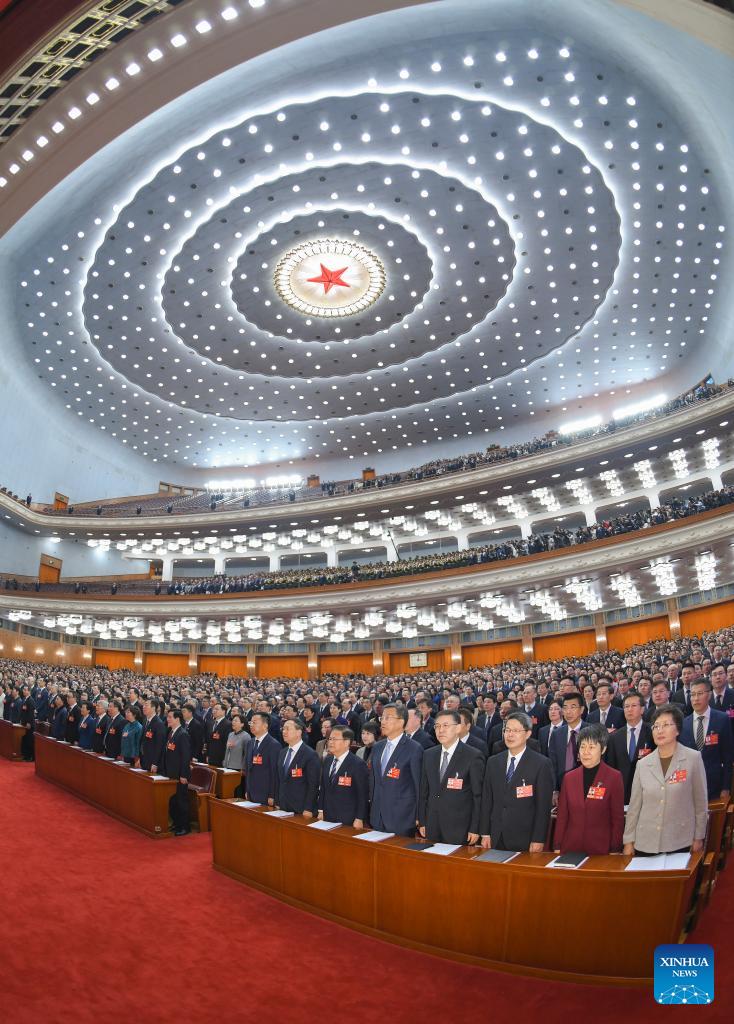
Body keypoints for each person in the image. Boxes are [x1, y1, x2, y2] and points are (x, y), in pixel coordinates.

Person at [623, 704, 708, 856]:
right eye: (656, 726)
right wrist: (628, 841)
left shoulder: (693, 758)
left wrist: (699, 837)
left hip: (681, 839)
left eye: (666, 725)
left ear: (678, 730)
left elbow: (701, 803)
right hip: (646, 841)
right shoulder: (643, 764)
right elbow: (634, 807)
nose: (660, 730)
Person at [479, 711, 554, 852]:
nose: (510, 734)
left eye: (515, 731)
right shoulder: (493, 762)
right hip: (496, 834)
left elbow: (543, 807)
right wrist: (485, 832)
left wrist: (538, 839)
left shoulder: (541, 764)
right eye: (507, 730)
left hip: (525, 836)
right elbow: (487, 799)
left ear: (528, 734)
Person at [554, 724, 625, 855]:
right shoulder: (569, 778)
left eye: (591, 747)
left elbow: (617, 818)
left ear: (603, 749)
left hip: (601, 849)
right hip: (571, 847)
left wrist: (615, 848)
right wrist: (557, 845)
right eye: (582, 746)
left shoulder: (614, 777)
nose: (585, 752)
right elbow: (562, 816)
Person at [418, 710, 483, 845]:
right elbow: (424, 791)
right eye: (437, 726)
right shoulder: (429, 754)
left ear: (458, 728)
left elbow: (478, 796)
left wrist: (475, 828)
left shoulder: (472, 756)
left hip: (460, 827)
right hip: (432, 824)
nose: (440, 730)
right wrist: (422, 821)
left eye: (446, 725)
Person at [369, 704, 423, 837]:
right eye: (382, 718)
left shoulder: (414, 748)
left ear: (401, 722)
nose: (383, 722)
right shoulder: (377, 747)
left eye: (388, 718)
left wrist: (419, 816)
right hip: (377, 816)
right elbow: (374, 781)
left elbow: (419, 786)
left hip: (402, 817)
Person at [680, 679, 733, 801]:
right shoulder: (684, 724)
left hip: (715, 786)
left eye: (700, 693)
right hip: (690, 788)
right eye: (693, 694)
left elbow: (728, 757)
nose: (696, 698)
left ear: (709, 695)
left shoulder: (722, 719)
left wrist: (726, 787)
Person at [604, 691, 655, 803]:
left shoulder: (653, 732)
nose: (629, 709)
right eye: (626, 706)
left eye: (634, 705)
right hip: (622, 793)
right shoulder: (614, 737)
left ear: (642, 709)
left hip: (647, 791)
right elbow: (611, 766)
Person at [318, 725, 369, 827]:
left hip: (348, 818)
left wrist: (359, 818)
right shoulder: (327, 760)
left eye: (335, 739)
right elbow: (323, 787)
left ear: (346, 742)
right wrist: (321, 810)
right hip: (327, 815)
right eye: (330, 739)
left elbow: (362, 794)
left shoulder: (358, 764)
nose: (330, 742)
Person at [275, 718, 320, 816]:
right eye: (283, 729)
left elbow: (313, 785)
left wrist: (308, 808)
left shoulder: (310, 754)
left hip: (301, 808)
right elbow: (279, 779)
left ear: (298, 732)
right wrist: (277, 801)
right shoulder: (282, 752)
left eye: (287, 729)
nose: (284, 732)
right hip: (283, 806)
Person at [548, 692, 585, 797]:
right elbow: (553, 764)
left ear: (582, 709)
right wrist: (555, 789)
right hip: (562, 787)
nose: (568, 712)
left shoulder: (591, 731)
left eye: (573, 707)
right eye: (565, 708)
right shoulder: (556, 733)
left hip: (585, 786)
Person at [163, 709, 192, 836]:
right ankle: (177, 823)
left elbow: (186, 756)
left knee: (181, 801)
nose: (167, 719)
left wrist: (184, 775)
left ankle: (185, 827)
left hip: (180, 774)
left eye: (170, 717)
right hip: (171, 773)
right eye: (167, 717)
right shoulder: (171, 732)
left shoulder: (182, 734)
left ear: (177, 719)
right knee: (173, 801)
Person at [244, 711, 280, 806]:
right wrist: (247, 790)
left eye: (254, 722)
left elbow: (274, 772)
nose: (251, 725)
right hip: (251, 792)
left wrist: (272, 795)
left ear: (265, 725)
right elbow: (248, 769)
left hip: (265, 793)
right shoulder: (250, 743)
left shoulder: (273, 745)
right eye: (250, 722)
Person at [139, 698, 166, 772]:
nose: (143, 707)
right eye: (143, 705)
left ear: (153, 708)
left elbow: (159, 745)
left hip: (152, 762)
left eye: (146, 705)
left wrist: (155, 763)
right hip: (143, 758)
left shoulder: (159, 723)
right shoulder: (145, 720)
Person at [19, 684, 35, 761]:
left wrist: (29, 722)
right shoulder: (24, 699)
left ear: (29, 691)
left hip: (29, 724)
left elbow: (31, 713)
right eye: (23, 690)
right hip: (24, 722)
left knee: (29, 741)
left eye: (25, 690)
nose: (24, 691)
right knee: (25, 740)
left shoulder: (31, 700)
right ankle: (25, 755)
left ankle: (29, 757)